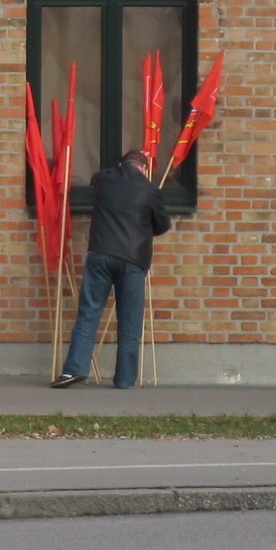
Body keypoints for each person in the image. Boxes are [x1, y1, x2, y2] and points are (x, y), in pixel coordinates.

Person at [54, 149, 173, 390]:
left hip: (100, 254)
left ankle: (73, 370)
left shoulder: (104, 179)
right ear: (144, 168)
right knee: (129, 320)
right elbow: (162, 225)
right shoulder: (150, 190)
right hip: (132, 260)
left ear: (121, 164)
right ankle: (124, 379)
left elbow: (95, 179)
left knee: (88, 312)